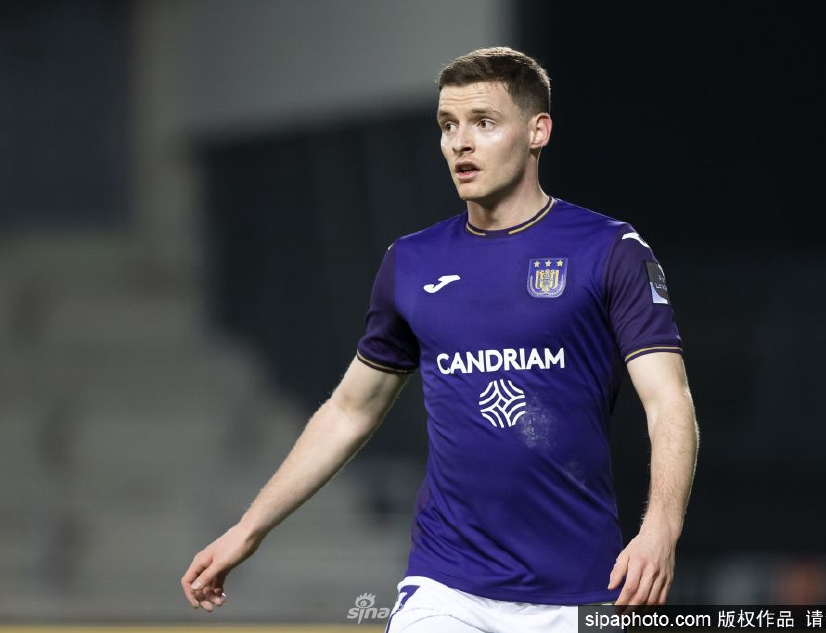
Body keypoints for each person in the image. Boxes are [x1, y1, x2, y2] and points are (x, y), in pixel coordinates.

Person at [181, 46, 699, 631]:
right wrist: (248, 528)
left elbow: (668, 400)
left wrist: (660, 528)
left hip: (581, 591)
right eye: (448, 125)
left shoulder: (608, 250)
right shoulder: (412, 262)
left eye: (483, 122)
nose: (460, 143)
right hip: (447, 587)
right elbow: (350, 410)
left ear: (538, 131)